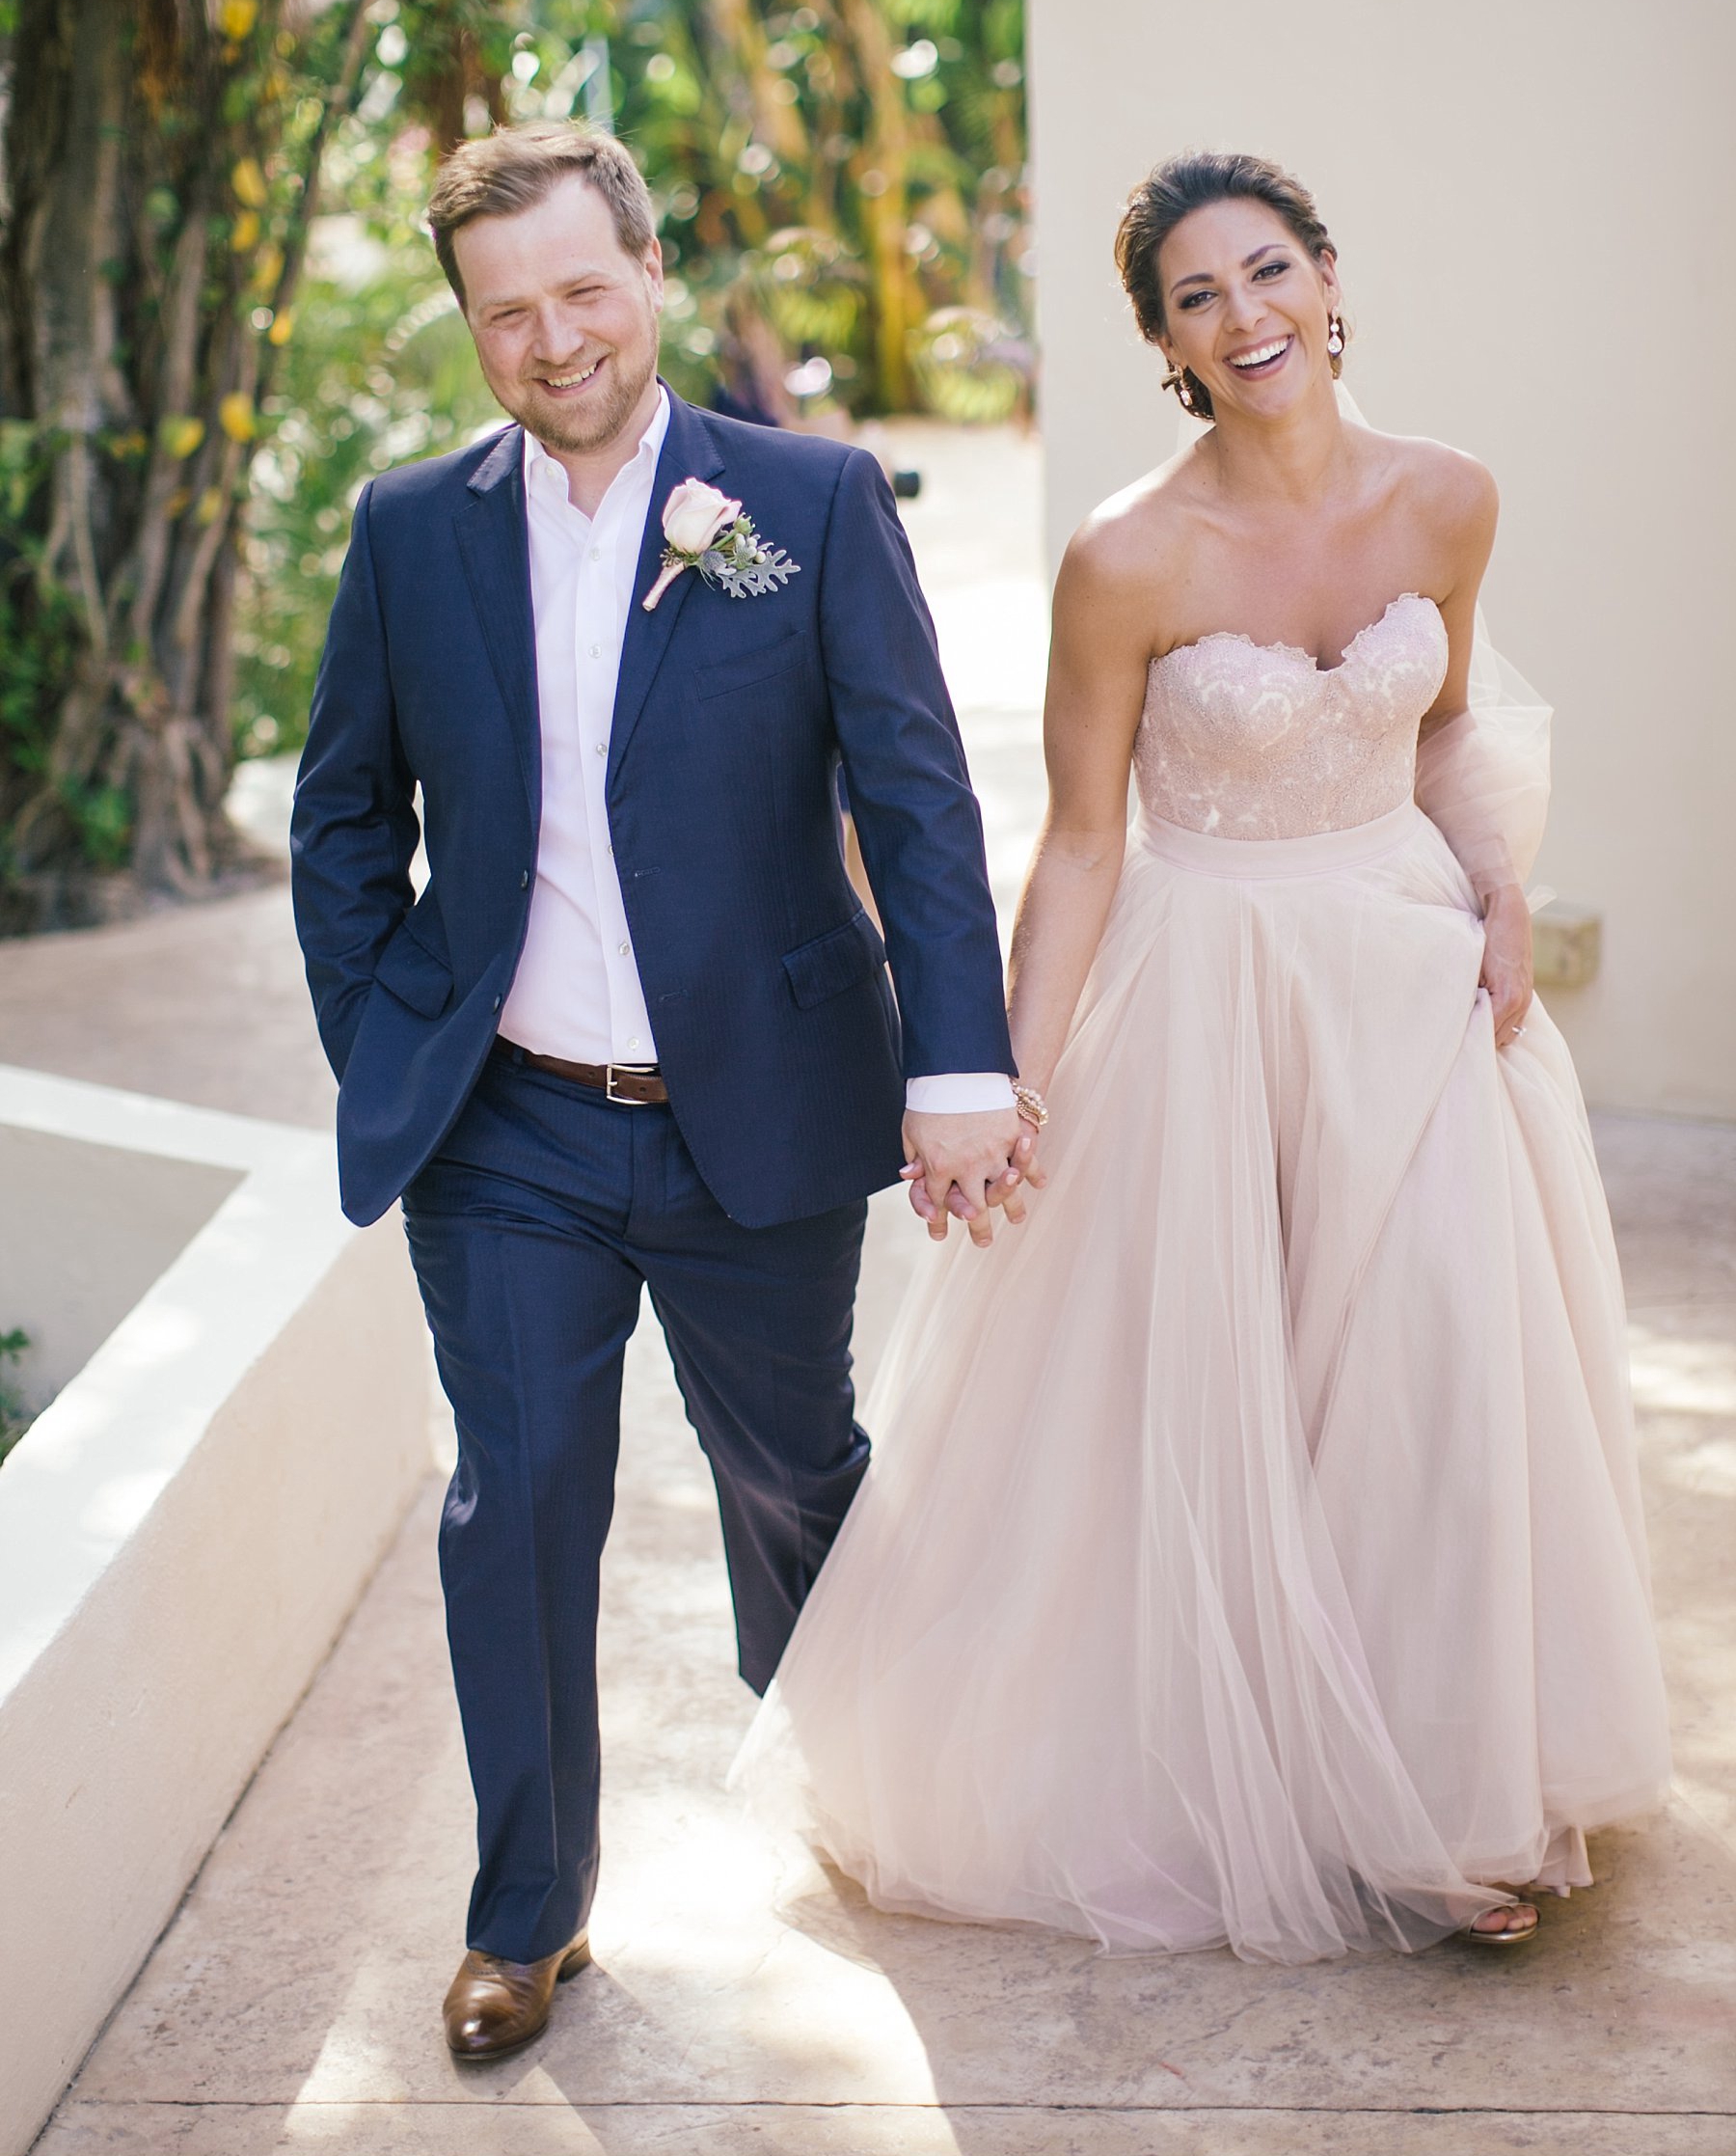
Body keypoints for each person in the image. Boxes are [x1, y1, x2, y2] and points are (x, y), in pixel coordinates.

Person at [737, 150, 1672, 1961]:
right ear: (1165, 344)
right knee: (1215, 1395)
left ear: (1328, 277)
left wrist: (1500, 889)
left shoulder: (1450, 497)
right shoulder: (1126, 556)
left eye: (1266, 271)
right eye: (1196, 297)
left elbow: (1449, 727)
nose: (1244, 316)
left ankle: (1441, 1799)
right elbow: (1086, 841)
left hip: (1409, 975)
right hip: (1204, 989)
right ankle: (1262, 1781)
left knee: (1432, 1376)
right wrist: (1003, 1084)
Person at [288, 122, 1032, 2060]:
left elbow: (918, 799)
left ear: (648, 272)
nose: (552, 339)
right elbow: (344, 812)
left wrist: (960, 1057)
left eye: (580, 290)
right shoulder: (411, 528)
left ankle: (860, 1773)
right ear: (471, 328)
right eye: (505, 311)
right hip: (509, 1123)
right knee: (518, 1499)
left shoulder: (805, 498)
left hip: (759, 1103)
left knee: (791, 1466)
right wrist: (389, 1030)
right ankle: (524, 1914)